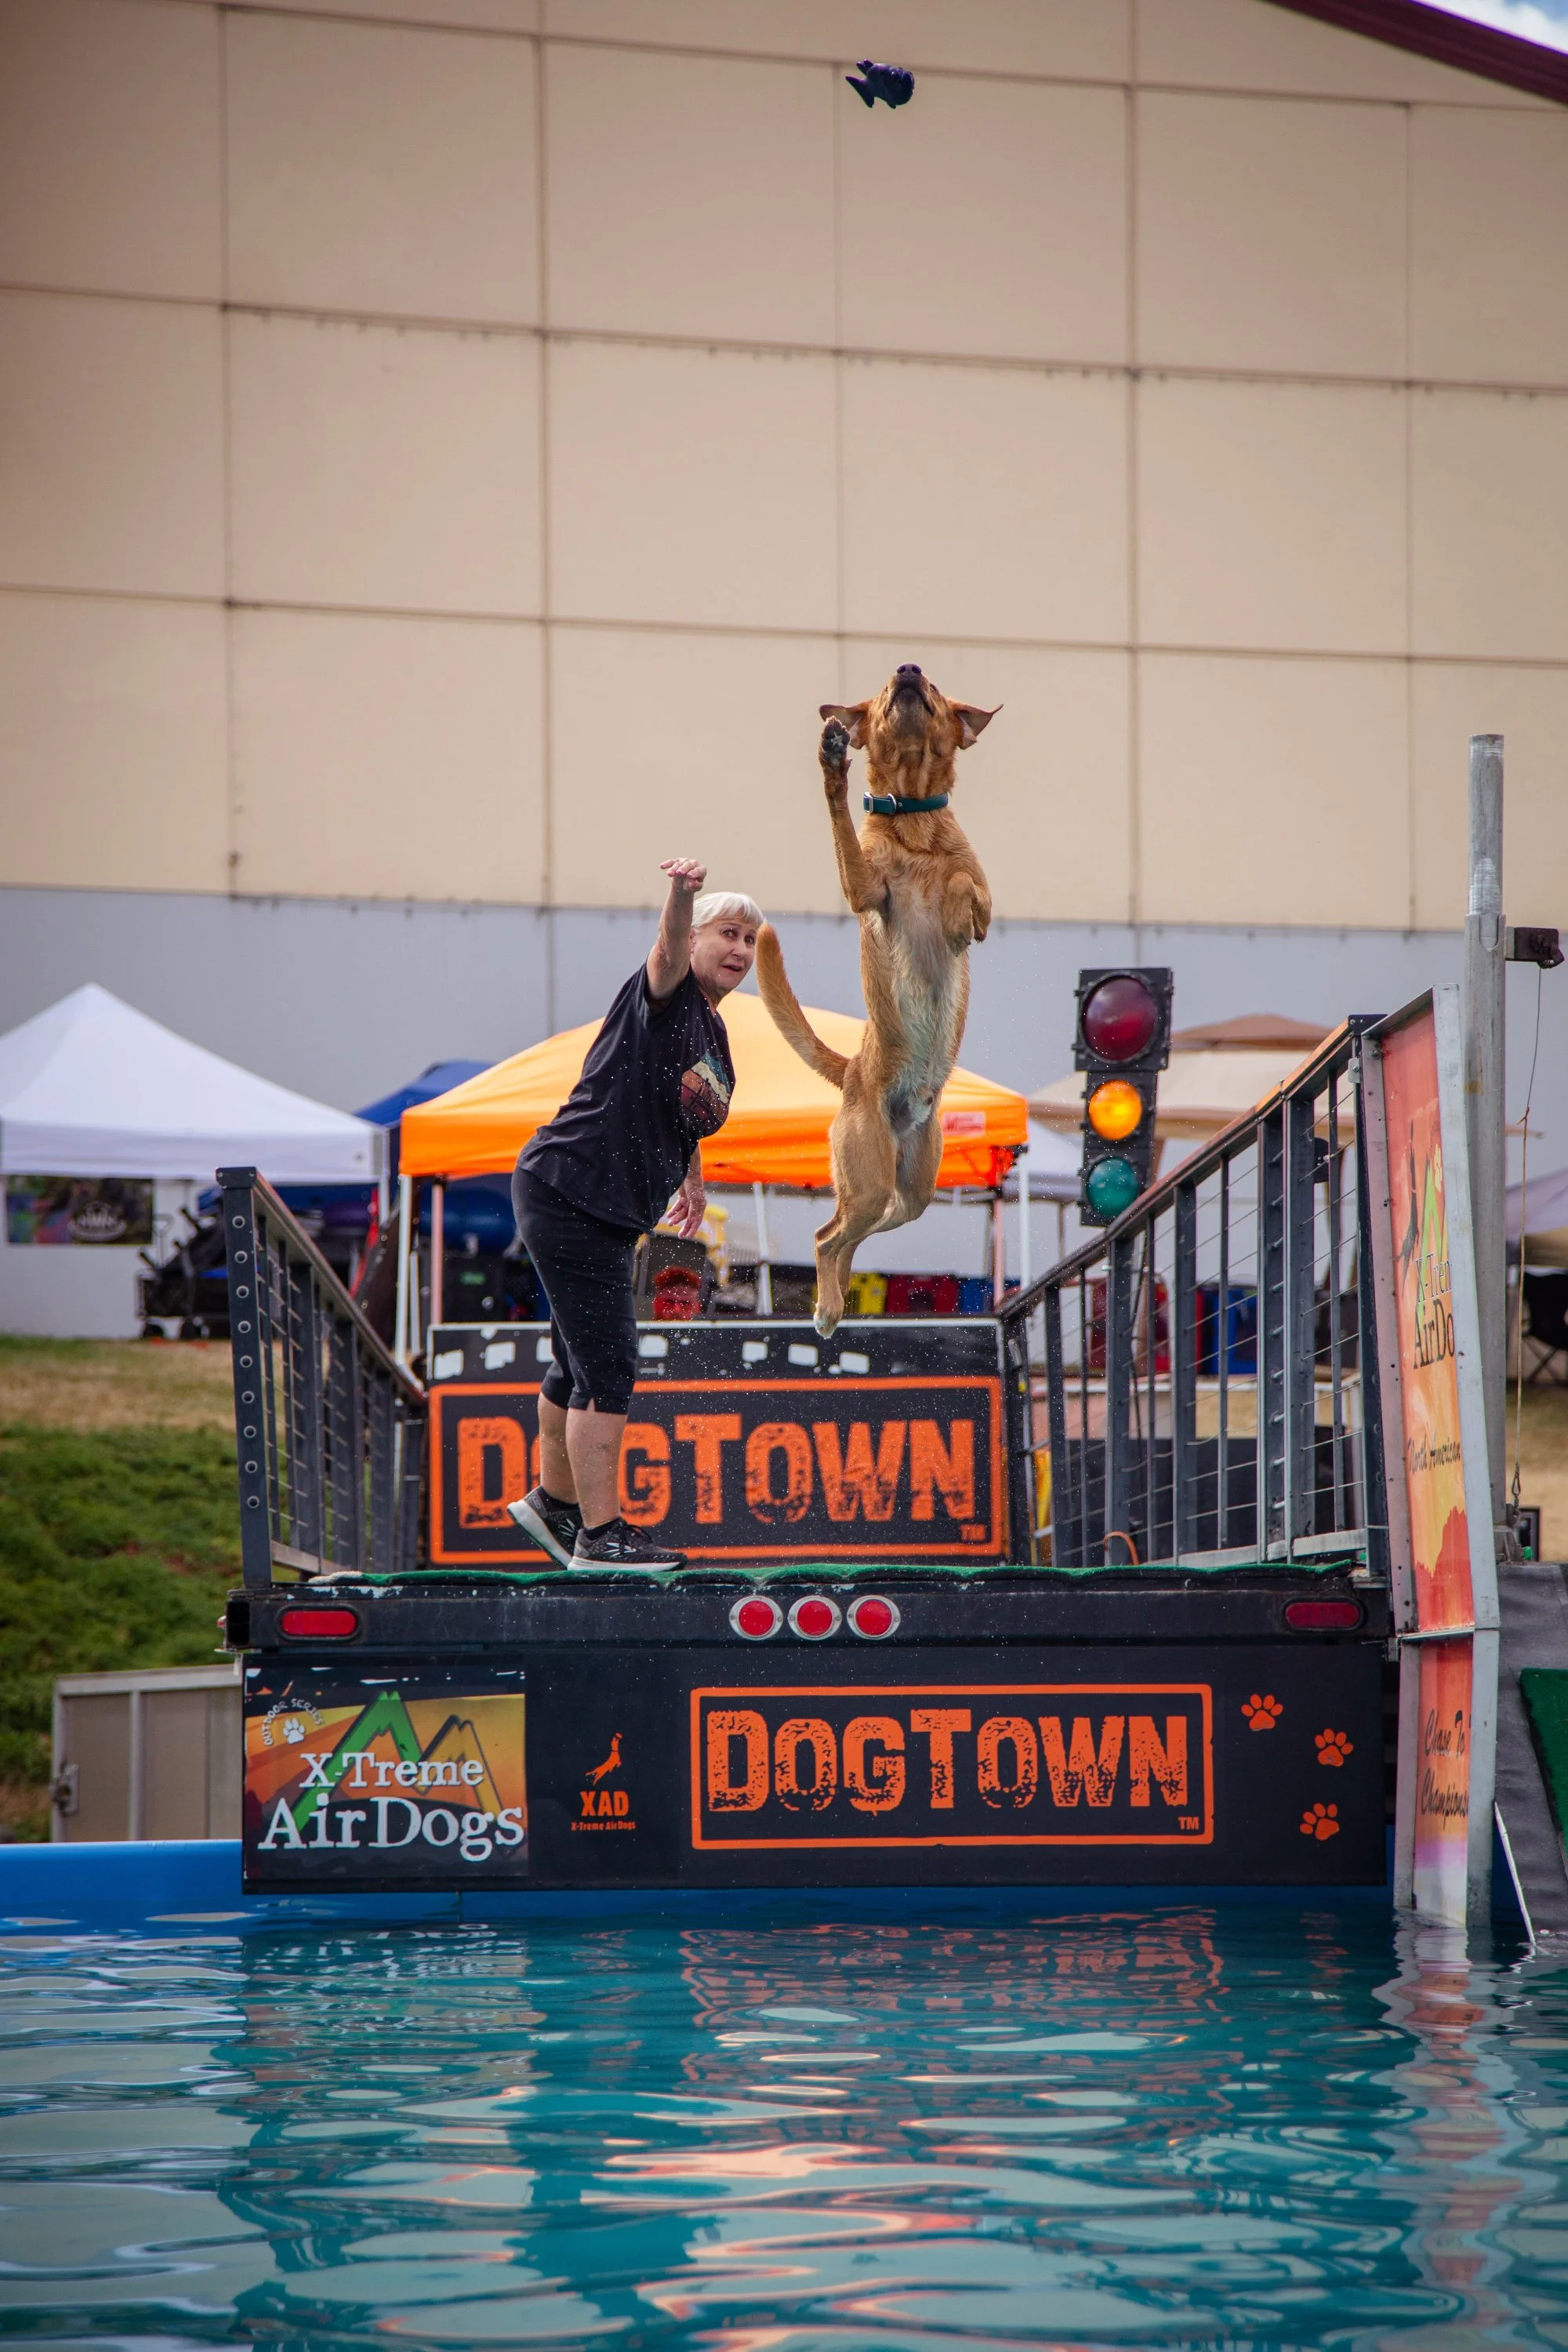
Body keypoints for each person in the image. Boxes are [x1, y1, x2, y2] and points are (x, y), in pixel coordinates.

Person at [506, 861, 761, 1570]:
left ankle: (552, 1506)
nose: (740, 949)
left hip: (601, 1207)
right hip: (573, 1192)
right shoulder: (668, 991)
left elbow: (676, 1106)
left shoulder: (710, 1028)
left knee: (577, 1359)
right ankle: (600, 1534)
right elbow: (666, 948)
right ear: (696, 940)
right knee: (610, 1368)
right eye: (728, 933)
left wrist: (692, 1177)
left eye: (751, 939)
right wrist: (681, 898)